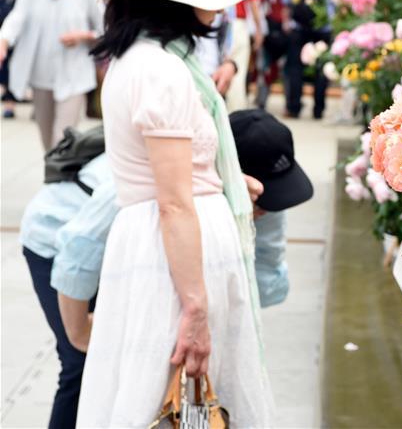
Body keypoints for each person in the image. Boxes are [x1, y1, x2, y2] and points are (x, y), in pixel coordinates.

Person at [77, 0, 274, 425]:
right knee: (173, 398)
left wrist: (225, 181)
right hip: (176, 256)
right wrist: (195, 309)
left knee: (151, 393)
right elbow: (173, 200)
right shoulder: (162, 70)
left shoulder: (137, 60)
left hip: (161, 247)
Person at [20, 111, 312, 427]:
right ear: (222, 173)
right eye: (259, 201)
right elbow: (77, 256)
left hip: (140, 253)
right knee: (85, 364)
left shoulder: (262, 198)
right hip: (58, 237)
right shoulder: (155, 174)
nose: (263, 211)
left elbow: (264, 284)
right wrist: (80, 334)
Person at [0, 0, 102, 150]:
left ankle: (57, 180)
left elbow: (104, 31)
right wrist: (3, 40)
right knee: (47, 141)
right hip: (40, 78)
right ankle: (53, 179)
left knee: (61, 140)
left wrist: (83, 36)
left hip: (74, 78)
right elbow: (15, 20)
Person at [281, 0, 333, 119]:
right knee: (321, 67)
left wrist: (287, 20)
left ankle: (294, 107)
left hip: (299, 23)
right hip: (323, 26)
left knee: (295, 66)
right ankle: (318, 109)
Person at [0, 0, 37, 118]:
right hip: (18, 14)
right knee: (18, 55)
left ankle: (8, 100)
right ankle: (15, 96)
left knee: (2, 54)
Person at [256, 0, 297, 109]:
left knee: (266, 64)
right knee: (288, 66)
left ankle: (261, 100)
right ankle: (290, 103)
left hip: (269, 22)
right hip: (289, 25)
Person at [226, 0, 265, 111]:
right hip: (238, 25)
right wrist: (259, 30)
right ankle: (235, 110)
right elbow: (254, 6)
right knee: (238, 70)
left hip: (218, 21)